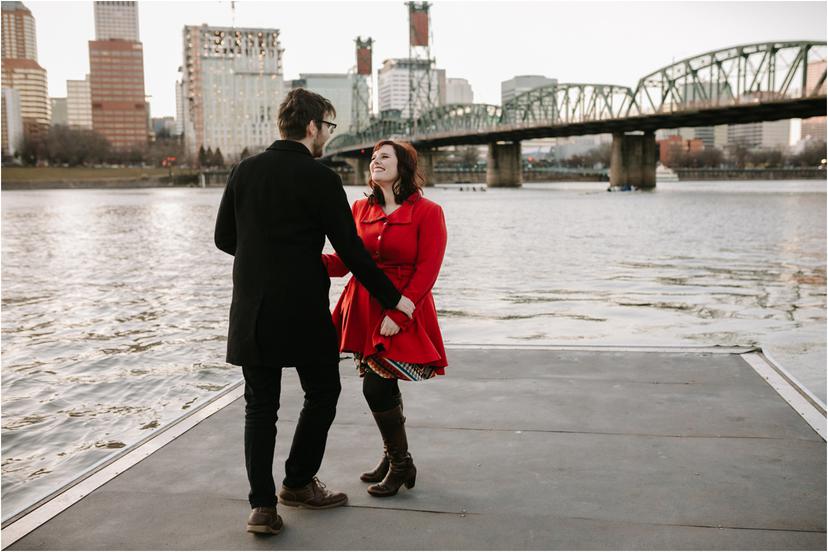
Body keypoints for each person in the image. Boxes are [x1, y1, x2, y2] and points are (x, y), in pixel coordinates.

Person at [214, 90, 416, 535]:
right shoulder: (320, 178)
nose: (328, 135)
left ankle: (262, 508)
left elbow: (225, 239)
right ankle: (299, 482)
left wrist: (262, 258)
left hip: (251, 310)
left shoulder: (244, 171)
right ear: (312, 127)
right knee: (322, 392)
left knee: (259, 407)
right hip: (303, 308)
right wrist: (392, 297)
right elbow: (351, 252)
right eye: (329, 127)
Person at [322, 140, 448, 498]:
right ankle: (391, 456)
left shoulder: (428, 211)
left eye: (385, 157)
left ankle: (401, 462)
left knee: (375, 385)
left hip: (402, 307)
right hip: (362, 307)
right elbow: (346, 261)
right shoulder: (360, 208)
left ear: (403, 166)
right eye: (374, 158)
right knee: (382, 382)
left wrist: (400, 312)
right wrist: (305, 260)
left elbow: (428, 269)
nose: (375, 161)